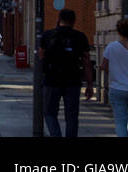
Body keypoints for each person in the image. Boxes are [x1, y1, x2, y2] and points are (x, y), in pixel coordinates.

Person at [38, 8, 93, 138]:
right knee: (72, 115)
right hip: (72, 81)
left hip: (51, 80)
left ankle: (56, 135)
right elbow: (86, 62)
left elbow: (41, 56)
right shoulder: (80, 36)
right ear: (74, 21)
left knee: (49, 113)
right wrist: (89, 84)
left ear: (58, 19)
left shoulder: (47, 35)